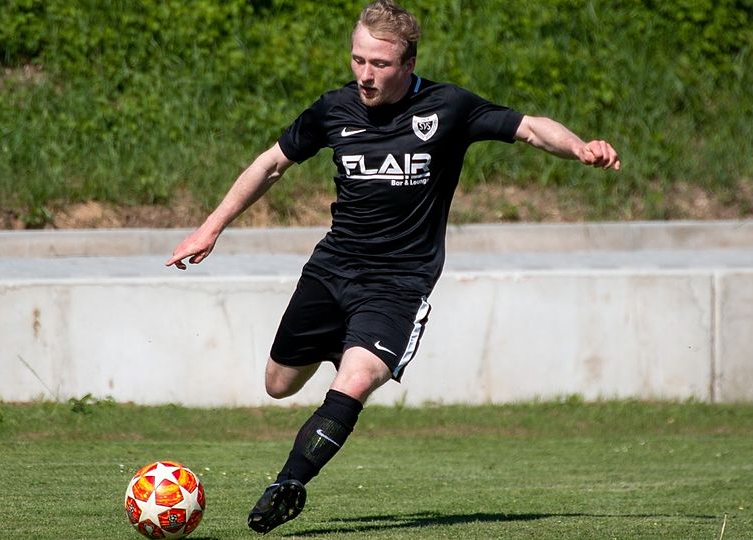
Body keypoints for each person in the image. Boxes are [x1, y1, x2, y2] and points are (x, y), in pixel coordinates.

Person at [166, 0, 620, 533]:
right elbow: (271, 165)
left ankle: (288, 484)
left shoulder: (448, 107)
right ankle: (342, 347)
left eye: (379, 64)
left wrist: (579, 147)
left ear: (408, 63)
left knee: (357, 379)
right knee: (278, 384)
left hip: (398, 285)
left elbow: (531, 128)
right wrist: (210, 228)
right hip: (331, 271)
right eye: (358, 60)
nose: (365, 74)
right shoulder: (334, 109)